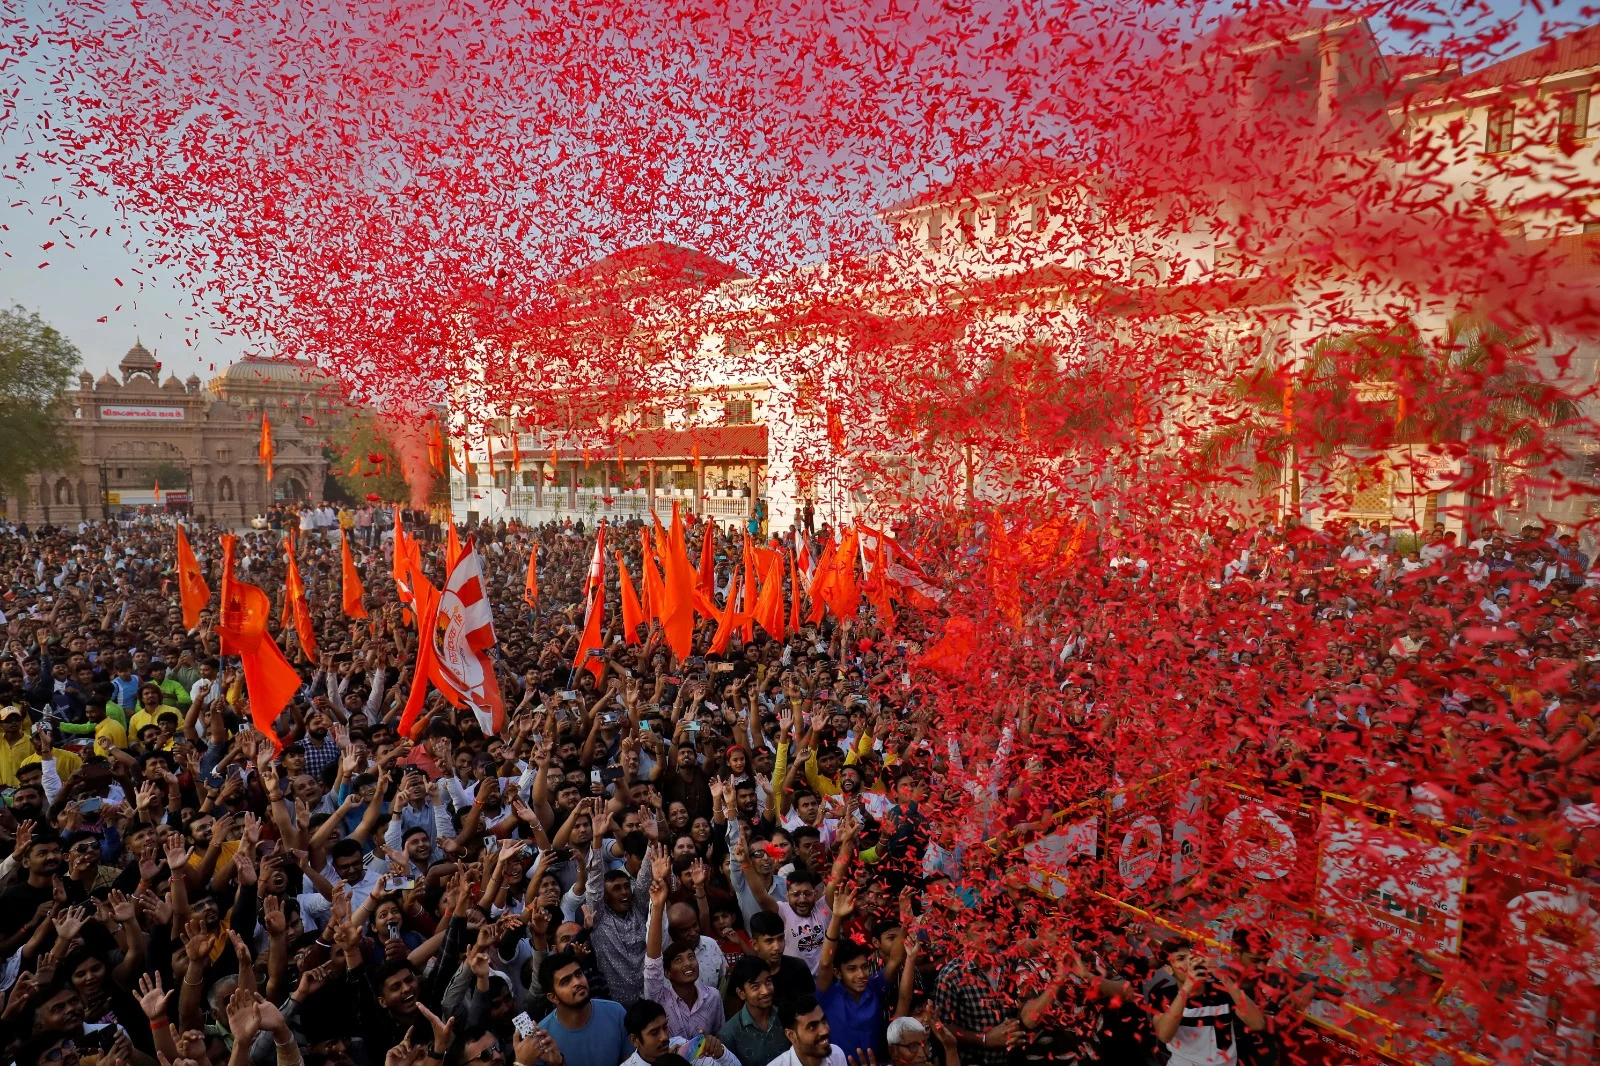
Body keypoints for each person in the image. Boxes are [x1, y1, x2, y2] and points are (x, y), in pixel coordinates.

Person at [1148, 939, 1266, 1066]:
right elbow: (1164, 1036)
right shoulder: (1162, 995)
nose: (1190, 962)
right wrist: (1186, 989)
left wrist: (1222, 976)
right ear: (1169, 969)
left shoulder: (1222, 991)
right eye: (1181, 958)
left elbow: (1258, 1024)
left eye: (1193, 956)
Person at [539, 950, 632, 1066]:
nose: (577, 982)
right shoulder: (543, 1037)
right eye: (566, 981)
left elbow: (632, 1061)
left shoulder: (616, 1013)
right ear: (553, 997)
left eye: (578, 974)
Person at [720, 956, 792, 1066]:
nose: (765, 991)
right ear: (741, 993)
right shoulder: (729, 1034)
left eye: (768, 982)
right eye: (755, 986)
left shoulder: (787, 1018)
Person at [622, 999, 738, 1066]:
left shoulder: (684, 1049)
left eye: (665, 1027)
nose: (664, 1037)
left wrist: (721, 1054)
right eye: (654, 1033)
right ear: (634, 1040)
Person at [769, 996, 847, 1066]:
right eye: (812, 1026)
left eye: (823, 1021)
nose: (825, 1031)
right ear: (791, 1035)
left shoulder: (836, 1054)